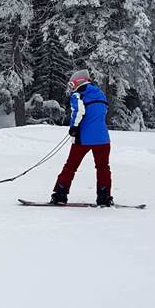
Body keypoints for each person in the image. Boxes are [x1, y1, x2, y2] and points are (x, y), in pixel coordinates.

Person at [50, 69, 113, 207]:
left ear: (78, 82)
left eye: (72, 85)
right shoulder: (100, 94)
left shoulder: (78, 95)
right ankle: (104, 197)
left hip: (83, 139)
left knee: (70, 166)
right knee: (103, 167)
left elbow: (78, 112)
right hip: (103, 139)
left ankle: (60, 194)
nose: (71, 88)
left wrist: (73, 128)